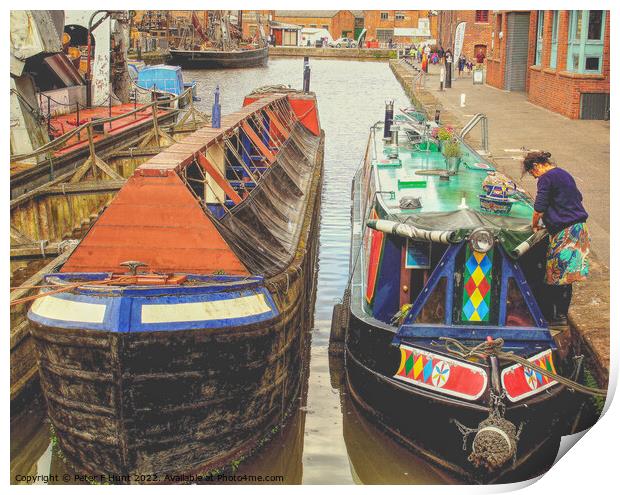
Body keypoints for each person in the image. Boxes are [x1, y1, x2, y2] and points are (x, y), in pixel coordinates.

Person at [522, 151, 590, 325]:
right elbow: (577, 197)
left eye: (532, 173)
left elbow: (539, 207)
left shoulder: (546, 178)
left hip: (565, 232)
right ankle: (561, 315)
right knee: (568, 278)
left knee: (557, 277)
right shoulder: (563, 173)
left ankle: (556, 317)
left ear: (536, 166)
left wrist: (535, 225)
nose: (534, 176)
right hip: (579, 230)